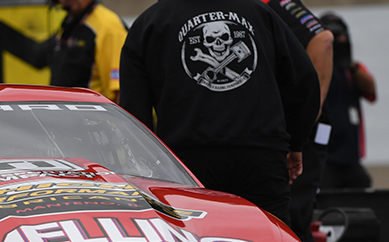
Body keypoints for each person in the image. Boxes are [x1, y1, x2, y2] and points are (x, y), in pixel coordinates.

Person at [119, 0, 321, 227]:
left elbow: (133, 115)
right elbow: (305, 82)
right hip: (261, 160)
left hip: (187, 166)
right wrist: (294, 143)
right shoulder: (260, 13)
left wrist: (154, 168)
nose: (218, 44)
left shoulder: (149, 24)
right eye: (212, 40)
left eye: (223, 39)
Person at [262, 0, 333, 242]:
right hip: (283, 134)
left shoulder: (275, 3)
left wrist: (309, 114)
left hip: (300, 135)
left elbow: (323, 40)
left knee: (294, 220)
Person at [319, 12, 377, 189]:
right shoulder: (316, 67)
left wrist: (349, 63)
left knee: (363, 185)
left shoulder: (352, 70)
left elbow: (371, 92)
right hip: (324, 153)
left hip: (351, 155)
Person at [33, 0, 127, 102]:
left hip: (91, 115)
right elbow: (36, 56)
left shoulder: (108, 26)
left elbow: (120, 92)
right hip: (63, 112)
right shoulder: (70, 23)